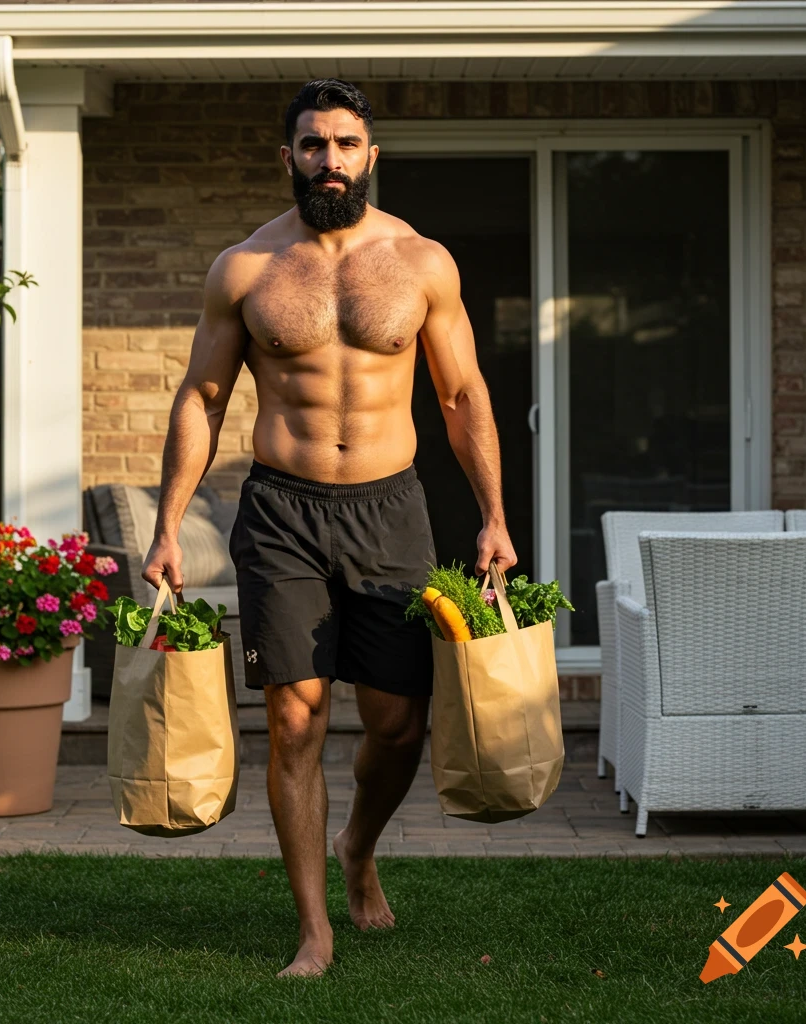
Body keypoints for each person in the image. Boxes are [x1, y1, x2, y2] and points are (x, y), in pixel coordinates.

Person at [142, 79, 517, 978]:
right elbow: (202, 397)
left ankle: (359, 847)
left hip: (390, 508)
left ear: (371, 156)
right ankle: (314, 930)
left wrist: (495, 516)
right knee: (295, 719)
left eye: (346, 144)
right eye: (313, 145)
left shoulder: (422, 262)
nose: (330, 160)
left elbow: (462, 395)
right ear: (290, 157)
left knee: (397, 724)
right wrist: (166, 526)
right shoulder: (246, 268)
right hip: (282, 511)